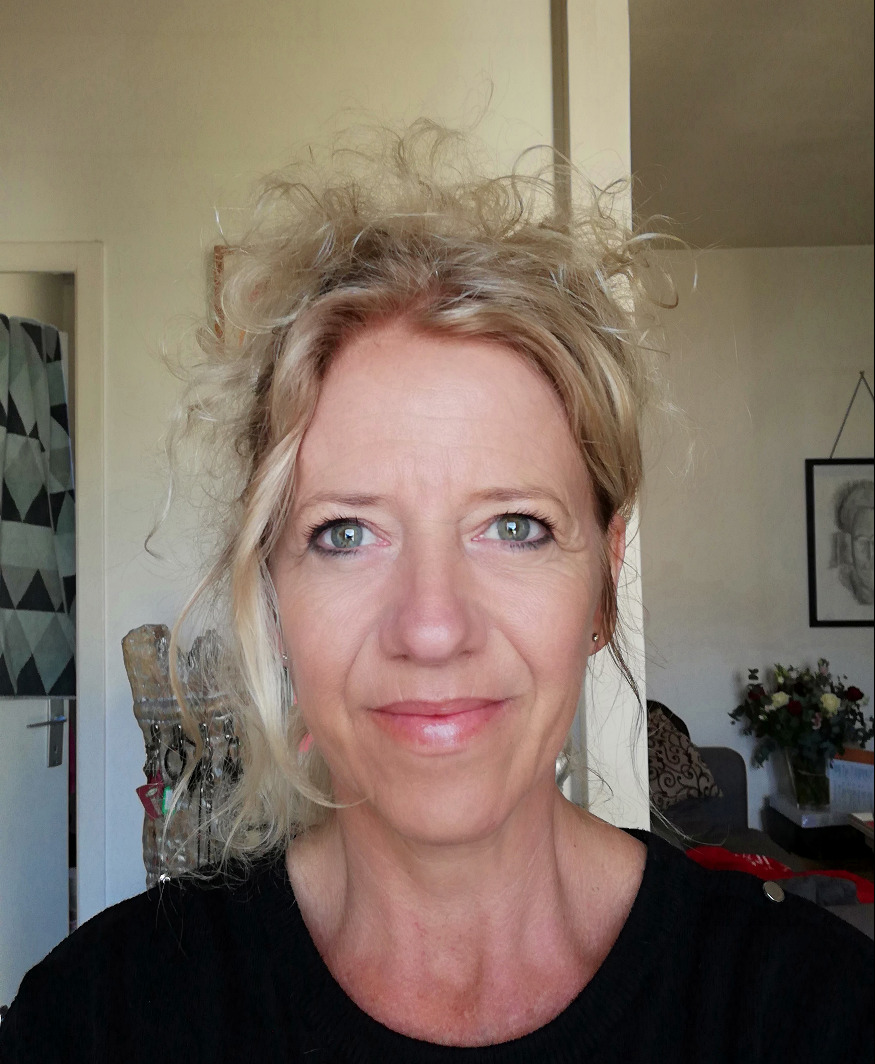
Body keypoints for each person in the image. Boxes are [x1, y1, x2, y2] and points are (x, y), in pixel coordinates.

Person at [1, 122, 871, 1063]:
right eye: (344, 533)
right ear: (273, 594)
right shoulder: (100, 1021)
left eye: (514, 526)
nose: (430, 627)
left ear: (602, 585)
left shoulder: (813, 1012)